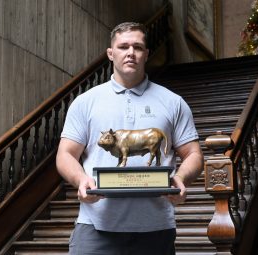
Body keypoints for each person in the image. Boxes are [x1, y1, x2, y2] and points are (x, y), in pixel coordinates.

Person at [56, 22, 204, 255]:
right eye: (123, 46)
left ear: (146, 54)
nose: (131, 53)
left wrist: (181, 178)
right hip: (95, 227)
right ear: (111, 53)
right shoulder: (85, 102)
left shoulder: (173, 102)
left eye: (138, 47)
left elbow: (193, 154)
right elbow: (65, 154)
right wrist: (80, 180)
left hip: (155, 228)